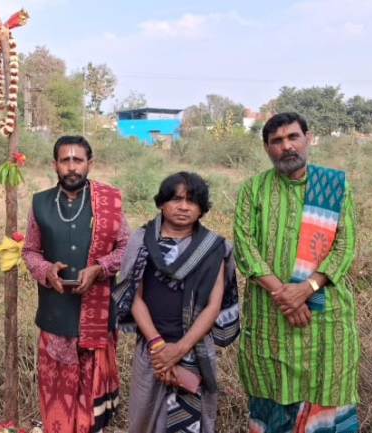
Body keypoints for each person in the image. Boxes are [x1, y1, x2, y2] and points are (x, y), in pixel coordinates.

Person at [234, 112, 360, 432]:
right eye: (277, 141)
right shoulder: (253, 190)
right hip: (270, 319)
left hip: (325, 321)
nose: (286, 146)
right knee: (272, 394)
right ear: (267, 148)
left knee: (326, 395)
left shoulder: (335, 186)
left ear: (308, 138)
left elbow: (345, 246)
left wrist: (306, 289)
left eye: (293, 137)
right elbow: (245, 248)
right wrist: (284, 295)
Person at [114, 172, 240, 433]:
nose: (184, 207)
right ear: (162, 203)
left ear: (201, 208)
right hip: (152, 350)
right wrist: (159, 346)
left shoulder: (213, 247)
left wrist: (180, 349)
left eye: (192, 201)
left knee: (190, 422)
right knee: (145, 419)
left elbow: (214, 305)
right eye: (176, 199)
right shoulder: (142, 241)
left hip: (194, 348)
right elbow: (134, 297)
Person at [23, 135, 129, 433]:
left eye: (78, 160)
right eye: (65, 160)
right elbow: (30, 251)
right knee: (56, 392)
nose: (72, 167)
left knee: (91, 397)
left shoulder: (109, 202)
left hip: (97, 318)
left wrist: (99, 268)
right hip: (55, 315)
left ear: (89, 164)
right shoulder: (40, 203)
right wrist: (46, 270)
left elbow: (127, 248)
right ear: (54, 164)